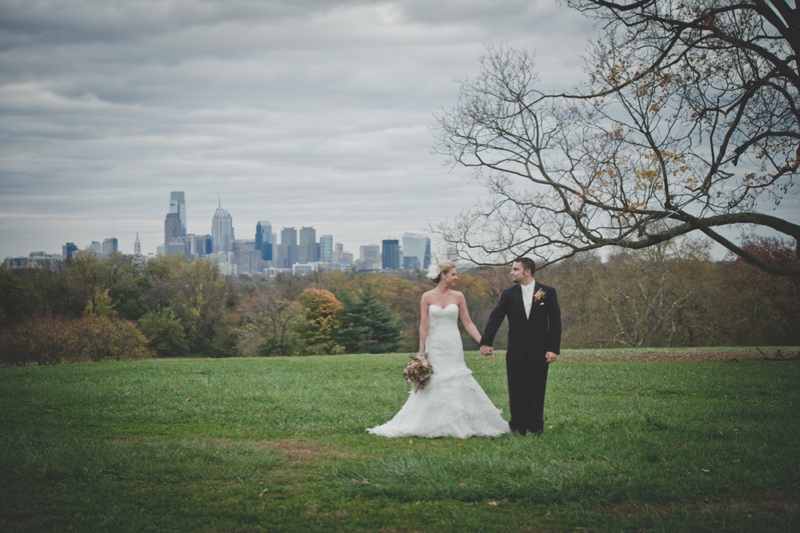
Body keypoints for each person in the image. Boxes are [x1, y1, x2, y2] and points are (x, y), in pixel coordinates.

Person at [368, 260, 510, 438]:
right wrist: (421, 352)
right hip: (435, 343)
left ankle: (461, 419)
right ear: (443, 275)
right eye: (453, 274)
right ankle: (431, 422)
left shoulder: (458, 296)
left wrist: (483, 342)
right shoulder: (427, 296)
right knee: (436, 379)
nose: (456, 278)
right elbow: (424, 324)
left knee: (457, 376)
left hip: (453, 343)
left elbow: (467, 322)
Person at [479, 257, 561, 436]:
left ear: (527, 272)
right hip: (516, 350)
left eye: (515, 269)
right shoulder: (509, 294)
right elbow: (496, 318)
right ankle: (517, 427)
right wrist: (486, 341)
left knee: (537, 389)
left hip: (539, 350)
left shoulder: (547, 292)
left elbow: (555, 322)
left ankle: (536, 427)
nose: (511, 272)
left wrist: (553, 348)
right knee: (516, 389)